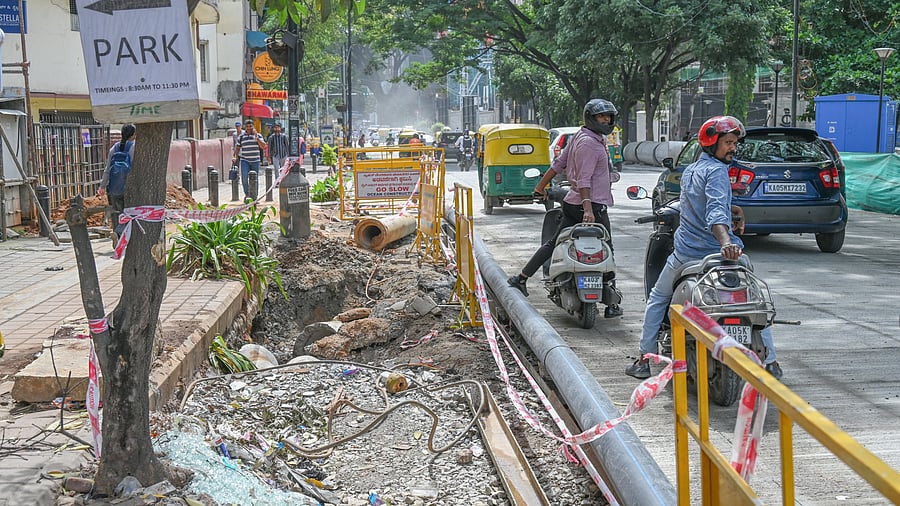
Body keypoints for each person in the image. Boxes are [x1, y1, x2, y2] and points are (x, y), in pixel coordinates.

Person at [625, 115, 781, 380]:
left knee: (658, 299)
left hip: (687, 255)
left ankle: (644, 358)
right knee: (755, 300)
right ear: (712, 144)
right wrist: (727, 243)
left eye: (734, 143)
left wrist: (731, 219)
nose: (733, 148)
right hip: (723, 253)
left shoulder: (692, 170)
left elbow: (705, 206)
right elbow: (715, 213)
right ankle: (771, 363)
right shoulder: (718, 171)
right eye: (728, 142)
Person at [507, 99, 623, 318]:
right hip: (591, 205)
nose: (606, 120)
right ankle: (612, 304)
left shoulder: (582, 136)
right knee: (607, 248)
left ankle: (521, 278)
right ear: (591, 118)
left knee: (554, 242)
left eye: (608, 116)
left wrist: (540, 186)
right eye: (601, 117)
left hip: (573, 203)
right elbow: (583, 179)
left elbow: (559, 164)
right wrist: (588, 209)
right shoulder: (589, 143)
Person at [97, 123, 136, 242]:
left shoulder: (114, 148)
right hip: (128, 187)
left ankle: (119, 238)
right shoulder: (134, 147)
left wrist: (102, 186)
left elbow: (107, 169)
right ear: (133, 134)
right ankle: (119, 233)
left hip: (114, 188)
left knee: (119, 214)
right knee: (129, 214)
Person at [233, 119, 266, 201]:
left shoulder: (258, 135)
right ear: (245, 127)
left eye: (250, 126)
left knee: (255, 179)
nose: (249, 128)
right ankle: (247, 194)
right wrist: (235, 157)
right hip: (245, 160)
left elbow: (263, 146)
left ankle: (254, 196)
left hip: (255, 160)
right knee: (244, 178)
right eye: (247, 127)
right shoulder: (241, 137)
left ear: (253, 126)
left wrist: (257, 138)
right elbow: (237, 148)